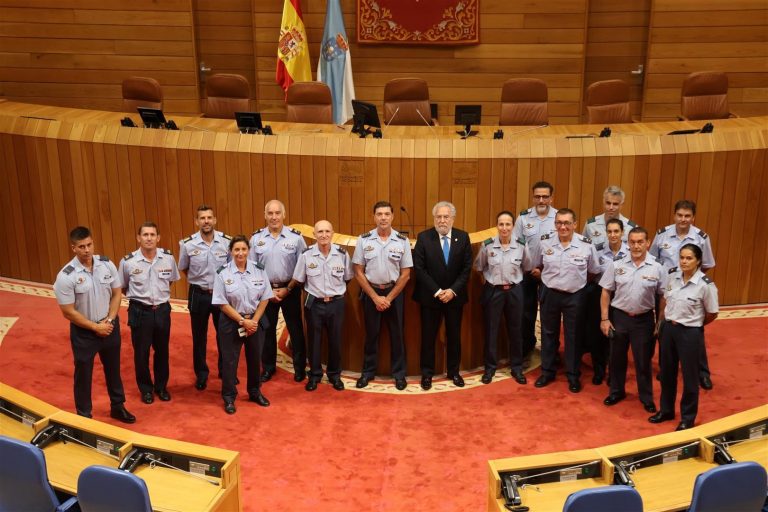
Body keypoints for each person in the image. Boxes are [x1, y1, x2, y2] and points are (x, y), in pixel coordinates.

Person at [53, 227, 135, 424]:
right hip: (84, 333)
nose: (87, 250)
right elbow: (68, 311)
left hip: (108, 326)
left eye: (89, 245)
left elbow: (117, 293)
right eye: (81, 247)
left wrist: (110, 320)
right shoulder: (66, 276)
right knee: (83, 374)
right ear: (74, 248)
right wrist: (94, 327)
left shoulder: (107, 265)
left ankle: (117, 406)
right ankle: (84, 415)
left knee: (114, 369)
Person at [649, 244, 718, 431]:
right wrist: (661, 321)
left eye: (689, 258)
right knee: (667, 373)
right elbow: (665, 299)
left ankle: (687, 417)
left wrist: (694, 325)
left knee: (690, 377)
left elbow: (712, 313)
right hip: (669, 330)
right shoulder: (673, 276)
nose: (684, 262)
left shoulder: (705, 285)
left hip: (690, 333)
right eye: (682, 257)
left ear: (697, 261)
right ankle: (666, 410)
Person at [531, 208, 601, 393]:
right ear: (555, 224)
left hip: (575, 295)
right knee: (548, 334)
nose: (563, 227)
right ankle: (547, 371)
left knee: (573, 336)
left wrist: (577, 284)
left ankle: (572, 375)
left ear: (575, 224)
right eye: (559, 223)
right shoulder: (545, 241)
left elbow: (593, 270)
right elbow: (538, 264)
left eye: (567, 223)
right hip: (550, 292)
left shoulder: (586, 245)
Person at [650, 199, 716, 390]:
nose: (683, 219)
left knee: (695, 332)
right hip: (667, 290)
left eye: (687, 216)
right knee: (664, 329)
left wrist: (692, 283)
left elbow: (707, 264)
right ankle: (666, 369)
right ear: (674, 215)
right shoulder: (662, 235)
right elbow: (654, 260)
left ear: (693, 218)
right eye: (680, 215)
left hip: (691, 290)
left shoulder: (701, 237)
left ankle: (702, 373)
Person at [599, 227, 666, 412]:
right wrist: (604, 319)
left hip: (644, 320)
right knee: (616, 358)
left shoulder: (658, 267)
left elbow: (663, 296)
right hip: (619, 317)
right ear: (628, 243)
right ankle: (616, 391)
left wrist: (660, 321)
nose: (636, 246)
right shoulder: (617, 264)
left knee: (643, 361)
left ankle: (646, 397)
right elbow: (606, 291)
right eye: (632, 242)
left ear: (648, 243)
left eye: (640, 242)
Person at [413, 201, 473, 390]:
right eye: (438, 217)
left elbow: (466, 269)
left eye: (446, 216)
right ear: (434, 219)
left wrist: (452, 291)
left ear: (453, 218)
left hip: (455, 297)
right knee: (428, 337)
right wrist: (438, 292)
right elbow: (419, 269)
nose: (442, 220)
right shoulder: (424, 238)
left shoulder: (463, 237)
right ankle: (427, 374)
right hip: (431, 298)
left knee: (454, 336)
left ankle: (454, 372)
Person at [352, 201, 412, 391]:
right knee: (371, 335)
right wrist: (375, 297)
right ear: (374, 217)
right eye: (379, 214)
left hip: (395, 294)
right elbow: (358, 271)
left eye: (387, 214)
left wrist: (389, 298)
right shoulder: (364, 240)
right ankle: (368, 373)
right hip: (372, 293)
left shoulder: (402, 241)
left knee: (397, 336)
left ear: (393, 217)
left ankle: (399, 375)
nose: (383, 218)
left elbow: (406, 274)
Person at [118, 222, 180, 405]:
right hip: (140, 311)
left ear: (158, 238)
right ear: (138, 238)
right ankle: (146, 389)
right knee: (141, 353)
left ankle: (161, 387)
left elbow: (170, 281)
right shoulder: (128, 262)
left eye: (152, 234)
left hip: (161, 310)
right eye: (145, 235)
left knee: (162, 351)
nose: (149, 238)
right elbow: (122, 286)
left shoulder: (168, 258)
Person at [289, 220, 353, 392]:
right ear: (315, 235)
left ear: (332, 234)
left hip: (336, 303)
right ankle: (315, 375)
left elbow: (348, 277)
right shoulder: (306, 255)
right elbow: (300, 280)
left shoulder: (342, 254)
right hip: (314, 305)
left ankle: (334, 375)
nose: (324, 235)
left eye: (327, 231)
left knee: (335, 340)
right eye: (320, 232)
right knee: (314, 341)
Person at [249, 200, 308, 383]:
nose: (274, 217)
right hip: (266, 291)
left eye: (277, 213)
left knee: (295, 329)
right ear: (265, 215)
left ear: (284, 215)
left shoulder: (296, 238)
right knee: (267, 331)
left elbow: (302, 267)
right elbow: (252, 268)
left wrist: (288, 289)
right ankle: (267, 368)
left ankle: (299, 368)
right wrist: (267, 290)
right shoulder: (256, 239)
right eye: (270, 213)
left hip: (290, 290)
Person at [212, 235, 272, 414]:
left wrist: (253, 321)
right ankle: (229, 397)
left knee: (255, 358)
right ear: (231, 251)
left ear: (248, 250)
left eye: (243, 249)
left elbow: (265, 298)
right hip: (232, 322)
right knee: (230, 361)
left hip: (255, 321)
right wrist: (242, 321)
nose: (240, 253)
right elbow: (221, 303)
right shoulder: (222, 273)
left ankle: (255, 392)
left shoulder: (259, 270)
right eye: (236, 250)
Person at [473, 211, 530, 385]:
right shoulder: (488, 245)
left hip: (514, 291)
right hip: (494, 292)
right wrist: (489, 282)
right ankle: (489, 369)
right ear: (496, 226)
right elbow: (479, 266)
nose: (504, 228)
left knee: (516, 330)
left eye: (508, 224)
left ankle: (517, 368)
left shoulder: (521, 245)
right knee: (491, 331)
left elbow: (527, 266)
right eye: (501, 224)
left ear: (513, 226)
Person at [178, 205, 231, 391]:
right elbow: (184, 268)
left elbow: (231, 269)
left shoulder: (226, 242)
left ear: (215, 220)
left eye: (209, 217)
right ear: (197, 221)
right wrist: (200, 281)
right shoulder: (187, 244)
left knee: (224, 335)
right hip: (198, 294)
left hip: (221, 294)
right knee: (199, 337)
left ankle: (226, 371)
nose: (206, 221)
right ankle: (201, 374)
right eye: (202, 218)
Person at [513, 181, 557, 365]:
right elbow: (517, 245)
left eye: (545, 196)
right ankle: (526, 349)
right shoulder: (523, 218)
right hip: (528, 273)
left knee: (550, 315)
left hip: (551, 273)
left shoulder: (559, 217)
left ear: (551, 198)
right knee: (526, 314)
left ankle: (551, 355)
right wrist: (531, 267)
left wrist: (544, 270)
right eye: (537, 196)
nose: (541, 200)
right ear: (533, 198)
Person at [584, 217, 630, 385]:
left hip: (621, 296)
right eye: (609, 231)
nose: (613, 235)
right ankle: (599, 370)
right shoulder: (597, 250)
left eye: (616, 231)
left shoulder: (630, 251)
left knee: (616, 336)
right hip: (599, 294)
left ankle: (613, 373)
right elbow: (591, 271)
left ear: (622, 233)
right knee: (597, 335)